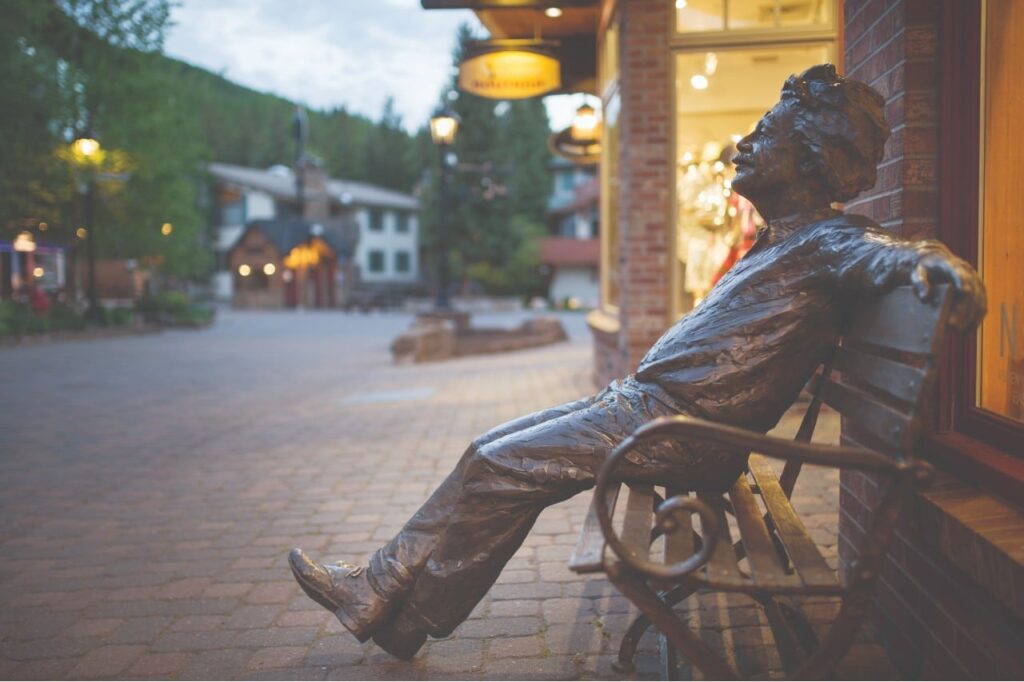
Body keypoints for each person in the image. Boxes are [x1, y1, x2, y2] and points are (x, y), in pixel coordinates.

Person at [288, 64, 986, 659]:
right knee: (487, 454)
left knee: (503, 466)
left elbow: (891, 253)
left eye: (764, 136)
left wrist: (942, 265)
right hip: (648, 408)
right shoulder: (782, 240)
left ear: (806, 159)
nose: (744, 144)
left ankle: (382, 597)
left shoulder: (831, 241)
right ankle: (399, 614)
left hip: (680, 431)